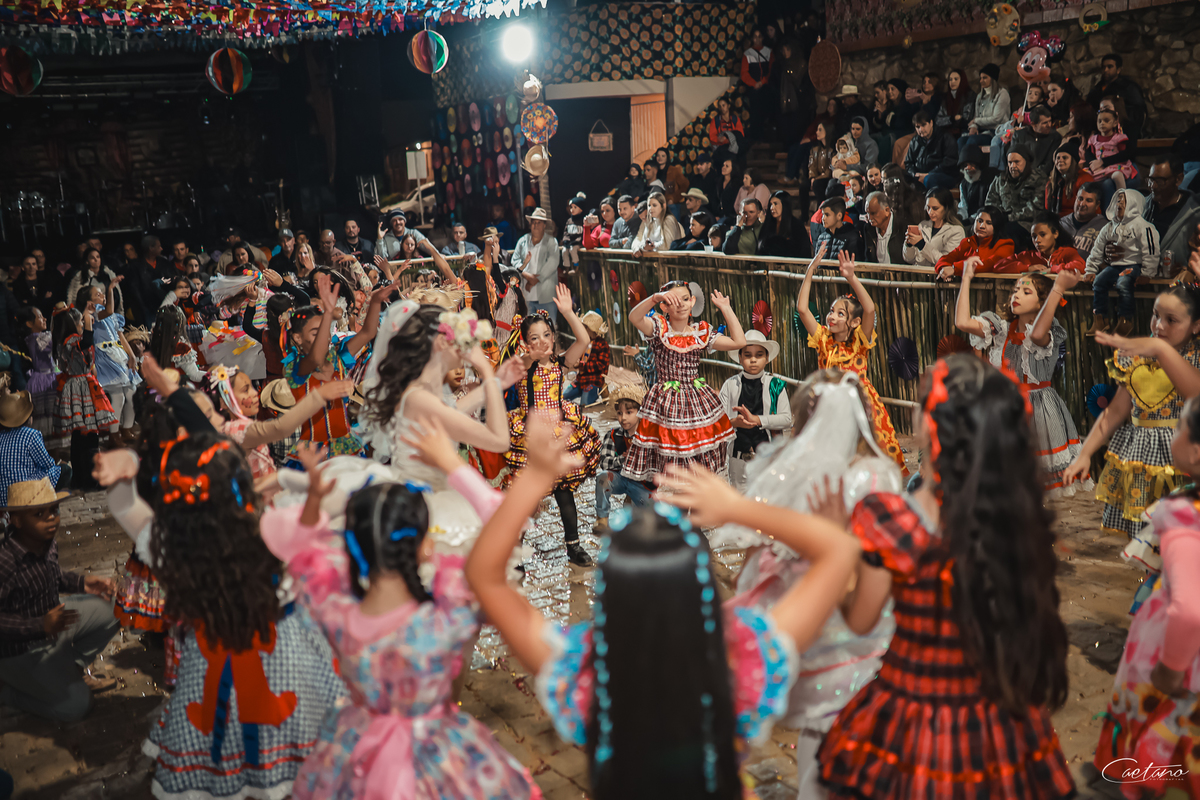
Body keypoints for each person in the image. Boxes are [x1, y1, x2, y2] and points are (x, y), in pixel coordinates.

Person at [464, 413, 861, 800]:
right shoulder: (742, 660)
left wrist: (535, 477)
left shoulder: (584, 671)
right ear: (703, 590)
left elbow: (484, 576)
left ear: (608, 596)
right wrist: (736, 508)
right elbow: (839, 550)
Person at [817, 354, 1074, 798]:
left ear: (930, 426)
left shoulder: (889, 520)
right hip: (1000, 716)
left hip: (911, 710)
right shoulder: (1017, 520)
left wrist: (836, 549)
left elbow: (859, 620)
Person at [259, 436, 541, 800]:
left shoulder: (334, 609)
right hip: (438, 761)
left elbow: (300, 546)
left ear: (351, 544)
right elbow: (503, 538)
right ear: (425, 545)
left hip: (356, 754)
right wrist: (460, 467)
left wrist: (314, 499)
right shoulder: (447, 616)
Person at [95, 432, 345, 800]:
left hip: (213, 683)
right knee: (285, 767)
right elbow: (324, 509)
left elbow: (125, 507)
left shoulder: (177, 553)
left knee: (224, 760)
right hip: (287, 679)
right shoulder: (272, 533)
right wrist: (293, 481)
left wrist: (125, 470)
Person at [1090, 395, 1200, 795]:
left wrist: (1170, 669)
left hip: (1180, 669)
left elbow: (1189, 610)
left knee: (1167, 763)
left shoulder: (1185, 514)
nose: (1174, 432)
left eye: (1181, 426)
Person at [1064, 283, 1200, 537]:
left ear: (1196, 325)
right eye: (1156, 315)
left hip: (1183, 458)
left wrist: (1161, 351)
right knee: (1144, 533)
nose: (1159, 326)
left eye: (1171, 320)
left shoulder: (1196, 358)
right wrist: (1085, 453)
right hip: (1140, 458)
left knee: (1183, 534)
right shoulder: (1135, 357)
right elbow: (1116, 410)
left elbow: (1195, 392)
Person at [956, 266, 1089, 494]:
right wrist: (966, 277)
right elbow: (962, 323)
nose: (1016, 295)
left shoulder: (1048, 334)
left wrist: (1058, 288)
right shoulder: (1000, 329)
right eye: (1016, 290)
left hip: (1037, 412)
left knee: (1032, 484)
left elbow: (1036, 335)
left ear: (1042, 303)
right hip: (1003, 408)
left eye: (1026, 292)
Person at [0, 477, 118, 722]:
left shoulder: (46, 541)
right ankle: (9, 693)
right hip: (23, 649)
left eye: (54, 510)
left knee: (116, 607)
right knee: (77, 706)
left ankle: (71, 668)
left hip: (54, 623)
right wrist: (40, 625)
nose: (51, 519)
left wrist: (82, 583)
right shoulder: (6, 561)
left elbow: (53, 576)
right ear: (17, 520)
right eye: (39, 514)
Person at [503, 289, 602, 567]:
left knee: (564, 492)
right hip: (532, 436)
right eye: (534, 338)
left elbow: (584, 340)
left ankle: (574, 546)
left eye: (547, 334)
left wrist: (568, 312)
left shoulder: (561, 363)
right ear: (525, 343)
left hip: (559, 432)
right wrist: (531, 355)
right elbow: (523, 361)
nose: (542, 341)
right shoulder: (524, 366)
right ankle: (515, 554)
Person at [797, 248, 907, 474]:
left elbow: (870, 308)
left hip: (859, 405)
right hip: (830, 405)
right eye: (831, 311)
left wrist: (851, 277)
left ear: (855, 322)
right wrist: (810, 271)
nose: (832, 317)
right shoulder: (823, 339)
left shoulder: (859, 342)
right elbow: (802, 309)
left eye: (841, 314)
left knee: (866, 458)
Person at [622, 282, 745, 481]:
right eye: (674, 300)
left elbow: (739, 342)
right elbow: (634, 317)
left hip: (697, 401)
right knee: (672, 460)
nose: (681, 304)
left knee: (700, 459)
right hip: (667, 403)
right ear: (664, 306)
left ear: (692, 302)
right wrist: (654, 298)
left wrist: (726, 308)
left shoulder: (700, 332)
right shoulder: (659, 328)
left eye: (685, 299)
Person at [286, 273, 398, 458]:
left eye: (325, 331)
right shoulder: (295, 367)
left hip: (345, 447)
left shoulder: (337, 359)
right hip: (314, 452)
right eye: (316, 332)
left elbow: (368, 333)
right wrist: (328, 314)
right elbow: (315, 358)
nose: (324, 335)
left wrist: (375, 301)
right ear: (297, 338)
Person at [53, 306, 117, 491]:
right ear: (72, 323)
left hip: (76, 386)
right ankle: (90, 480)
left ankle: (80, 480)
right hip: (81, 388)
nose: (83, 324)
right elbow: (87, 341)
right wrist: (88, 319)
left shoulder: (64, 341)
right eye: (80, 321)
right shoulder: (72, 341)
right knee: (89, 436)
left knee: (79, 437)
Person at [718, 330, 792, 488]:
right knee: (739, 500)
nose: (753, 360)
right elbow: (717, 422)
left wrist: (757, 420)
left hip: (768, 459)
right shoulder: (730, 385)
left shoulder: (776, 386)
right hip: (738, 459)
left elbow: (786, 419)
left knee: (767, 498)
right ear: (740, 357)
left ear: (767, 358)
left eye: (759, 355)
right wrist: (735, 423)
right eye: (747, 355)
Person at [1083, 189, 1162, 336]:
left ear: (1133, 203)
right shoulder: (1109, 227)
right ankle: (1100, 318)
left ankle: (1126, 319)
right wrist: (1090, 270)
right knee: (1099, 281)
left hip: (1133, 265)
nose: (1119, 203)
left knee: (1124, 283)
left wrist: (1147, 273)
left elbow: (1151, 251)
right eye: (1118, 200)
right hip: (1115, 266)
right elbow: (1097, 249)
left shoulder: (1143, 226)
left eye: (1123, 200)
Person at [76, 281, 139, 448]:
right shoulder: (94, 313)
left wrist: (131, 355)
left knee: (132, 393)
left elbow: (120, 336)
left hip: (118, 356)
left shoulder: (111, 316)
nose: (102, 296)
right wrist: (111, 289)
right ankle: (114, 434)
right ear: (89, 302)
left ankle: (127, 428)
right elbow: (108, 310)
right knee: (118, 396)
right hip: (104, 358)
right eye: (98, 295)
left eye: (103, 293)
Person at [593, 381, 654, 536]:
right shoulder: (613, 435)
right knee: (602, 478)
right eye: (619, 413)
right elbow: (604, 462)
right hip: (620, 479)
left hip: (641, 484)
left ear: (640, 413)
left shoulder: (648, 437)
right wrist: (622, 459)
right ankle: (602, 519)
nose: (623, 418)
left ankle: (631, 502)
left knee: (647, 521)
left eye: (629, 412)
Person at [0, 392, 69, 503]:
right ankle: (49, 504)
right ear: (28, 418)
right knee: (65, 469)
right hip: (27, 493)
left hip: (4, 499)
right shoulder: (31, 435)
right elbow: (48, 464)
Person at [1144, 155, 1200, 272]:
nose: (1153, 186)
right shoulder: (1142, 206)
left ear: (1178, 179)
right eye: (1151, 180)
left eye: (1160, 181)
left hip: (1177, 281)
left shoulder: (1194, 214)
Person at [935, 206, 1016, 278]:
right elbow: (944, 259)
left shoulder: (1005, 244)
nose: (982, 226)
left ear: (996, 226)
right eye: (979, 221)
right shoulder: (967, 243)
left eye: (988, 223)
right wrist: (944, 270)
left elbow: (990, 264)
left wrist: (954, 268)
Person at [994, 211, 1086, 274]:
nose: (1037, 240)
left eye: (1043, 235)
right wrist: (1027, 268)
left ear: (1055, 234)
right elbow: (998, 266)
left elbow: (1081, 267)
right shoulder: (1029, 256)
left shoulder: (1067, 252)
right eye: (1034, 236)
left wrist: (1052, 270)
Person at [985, 143, 1048, 233]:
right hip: (1002, 222)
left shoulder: (1038, 178)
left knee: (1007, 230)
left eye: (1017, 162)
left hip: (1028, 225)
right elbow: (990, 203)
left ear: (1026, 162)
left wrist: (1008, 218)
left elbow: (1036, 209)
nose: (1013, 166)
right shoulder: (1000, 179)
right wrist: (998, 217)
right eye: (1010, 162)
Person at [511, 207, 560, 320]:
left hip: (546, 295)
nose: (535, 225)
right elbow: (514, 260)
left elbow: (553, 263)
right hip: (527, 295)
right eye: (533, 222)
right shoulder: (523, 241)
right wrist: (526, 275)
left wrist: (535, 279)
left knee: (549, 325)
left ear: (544, 225)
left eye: (539, 223)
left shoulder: (551, 242)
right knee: (528, 327)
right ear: (530, 224)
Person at [1086, 53, 1146, 141]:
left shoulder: (1128, 88)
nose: (1106, 70)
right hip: (1099, 132)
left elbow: (1138, 112)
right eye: (1103, 67)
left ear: (1118, 69)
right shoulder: (1096, 90)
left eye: (1109, 67)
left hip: (1124, 132)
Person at [902, 186, 966, 267]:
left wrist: (922, 245)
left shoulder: (956, 231)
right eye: (928, 207)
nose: (930, 212)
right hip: (918, 272)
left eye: (935, 208)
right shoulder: (923, 225)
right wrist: (909, 245)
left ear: (946, 208)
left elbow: (948, 262)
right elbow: (909, 259)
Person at [1083, 107, 1138, 199]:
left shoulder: (1118, 138)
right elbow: (1089, 153)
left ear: (1115, 123)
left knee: (1117, 175)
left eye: (1106, 121)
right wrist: (1092, 164)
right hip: (1099, 168)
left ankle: (1122, 199)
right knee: (1084, 176)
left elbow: (1124, 154)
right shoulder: (1093, 139)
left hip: (1114, 166)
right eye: (1099, 121)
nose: (1102, 123)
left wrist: (1103, 162)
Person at [18, 307, 55, 436]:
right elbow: (56, 340)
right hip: (43, 381)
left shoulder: (40, 337)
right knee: (48, 414)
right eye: (40, 317)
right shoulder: (36, 339)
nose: (44, 319)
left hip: (48, 377)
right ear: (29, 323)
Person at [960, 63, 1010, 153]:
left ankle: (971, 162)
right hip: (981, 131)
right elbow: (976, 116)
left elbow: (996, 118)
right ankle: (963, 162)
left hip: (996, 132)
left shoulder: (1002, 94)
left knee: (972, 141)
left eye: (984, 78)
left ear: (992, 78)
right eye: (980, 78)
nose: (981, 81)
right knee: (961, 141)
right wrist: (973, 127)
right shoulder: (980, 96)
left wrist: (976, 121)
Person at [565, 311, 611, 407]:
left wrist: (582, 365)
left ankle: (599, 391)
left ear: (591, 329)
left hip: (593, 380)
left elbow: (601, 366)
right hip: (580, 379)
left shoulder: (602, 344)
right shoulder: (581, 342)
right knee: (562, 397)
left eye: (585, 327)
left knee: (585, 406)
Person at [904, 111, 959, 192]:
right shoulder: (915, 141)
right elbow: (908, 163)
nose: (921, 129)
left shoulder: (945, 138)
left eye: (923, 125)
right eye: (918, 127)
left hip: (944, 175)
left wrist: (928, 174)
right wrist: (915, 174)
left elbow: (950, 162)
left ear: (931, 123)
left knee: (929, 180)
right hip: (920, 175)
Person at [1005, 105, 1063, 175]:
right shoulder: (1019, 135)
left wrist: (1034, 176)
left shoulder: (1055, 137)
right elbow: (1013, 158)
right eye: (1045, 123)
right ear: (1033, 124)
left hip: (1041, 176)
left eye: (1050, 121)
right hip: (1021, 174)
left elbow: (1049, 163)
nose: (1049, 125)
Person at [740, 29, 774, 141]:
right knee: (755, 113)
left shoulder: (768, 52)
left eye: (759, 36)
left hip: (766, 87)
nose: (757, 39)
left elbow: (771, 70)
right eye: (755, 36)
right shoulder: (747, 54)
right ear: (752, 38)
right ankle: (757, 138)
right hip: (753, 89)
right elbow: (744, 73)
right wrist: (754, 83)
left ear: (763, 38)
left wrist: (763, 82)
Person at [1045, 142, 1093, 217]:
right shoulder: (1051, 183)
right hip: (1055, 220)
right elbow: (1047, 208)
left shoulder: (1085, 179)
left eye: (1064, 157)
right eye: (1058, 158)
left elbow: (1089, 210)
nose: (1060, 160)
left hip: (1078, 219)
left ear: (1073, 160)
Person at [860, 191, 908, 266]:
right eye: (867, 213)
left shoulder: (903, 227)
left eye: (873, 213)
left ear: (887, 210)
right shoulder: (868, 229)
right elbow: (868, 258)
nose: (869, 218)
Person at [1059, 181, 1107, 255]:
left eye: (1089, 200)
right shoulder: (1061, 224)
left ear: (1097, 205)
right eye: (1080, 199)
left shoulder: (1105, 228)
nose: (1082, 204)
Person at [631, 192, 685, 257]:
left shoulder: (669, 219)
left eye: (654, 205)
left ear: (663, 206)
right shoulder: (650, 222)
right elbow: (642, 242)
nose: (651, 208)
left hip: (670, 259)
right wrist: (644, 247)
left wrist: (652, 246)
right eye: (649, 205)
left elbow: (668, 245)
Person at [759, 191, 809, 258]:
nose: (772, 208)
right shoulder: (768, 224)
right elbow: (760, 247)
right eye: (770, 204)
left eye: (775, 204)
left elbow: (804, 251)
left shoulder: (797, 225)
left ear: (785, 205)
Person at [956, 143, 996, 221]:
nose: (968, 168)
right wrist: (960, 217)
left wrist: (971, 219)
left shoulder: (987, 182)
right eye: (965, 165)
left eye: (971, 164)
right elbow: (963, 206)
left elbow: (987, 206)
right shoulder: (963, 184)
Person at [814, 197, 862, 262]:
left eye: (827, 215)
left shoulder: (852, 237)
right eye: (823, 215)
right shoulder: (822, 237)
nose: (823, 218)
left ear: (839, 216)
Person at [935, 68, 975, 138]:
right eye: (950, 79)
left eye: (956, 79)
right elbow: (938, 120)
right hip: (946, 133)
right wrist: (952, 119)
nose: (952, 82)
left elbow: (967, 118)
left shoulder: (969, 96)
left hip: (964, 132)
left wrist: (954, 121)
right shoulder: (946, 97)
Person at [560, 193, 587, 273]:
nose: (572, 209)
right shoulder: (569, 221)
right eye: (571, 207)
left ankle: (576, 266)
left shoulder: (583, 220)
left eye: (575, 207)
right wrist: (566, 240)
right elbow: (566, 232)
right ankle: (566, 267)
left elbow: (584, 233)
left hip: (578, 243)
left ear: (581, 209)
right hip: (570, 242)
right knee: (564, 251)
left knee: (573, 250)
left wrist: (578, 241)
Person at [712, 156, 743, 225]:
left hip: (730, 215)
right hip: (718, 214)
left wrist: (723, 214)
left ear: (733, 168)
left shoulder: (737, 184)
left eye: (727, 166)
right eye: (723, 165)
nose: (723, 167)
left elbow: (733, 202)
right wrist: (716, 214)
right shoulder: (718, 182)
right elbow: (714, 199)